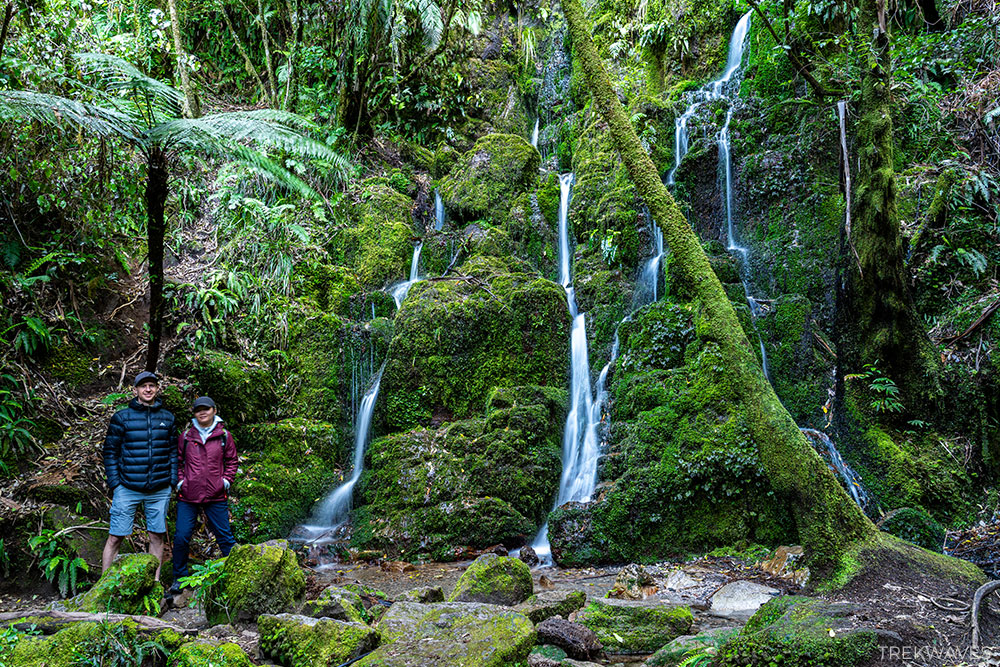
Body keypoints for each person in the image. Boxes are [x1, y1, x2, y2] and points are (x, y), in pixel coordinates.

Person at [102, 371, 177, 581]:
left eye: (152, 385)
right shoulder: (122, 417)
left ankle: (153, 585)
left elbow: (173, 451)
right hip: (127, 487)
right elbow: (110, 451)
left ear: (157, 389)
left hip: (159, 489)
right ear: (135, 390)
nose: (148, 389)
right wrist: (115, 483)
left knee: (156, 536)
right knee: (116, 536)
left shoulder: (167, 418)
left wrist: (172, 481)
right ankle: (102, 588)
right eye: (143, 386)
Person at [170, 396, 238, 594]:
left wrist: (225, 481)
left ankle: (235, 574)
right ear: (194, 413)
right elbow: (178, 461)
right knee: (182, 537)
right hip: (188, 495)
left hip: (215, 494)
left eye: (206, 409)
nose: (202, 412)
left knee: (224, 537)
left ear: (214, 411)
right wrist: (181, 482)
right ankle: (179, 578)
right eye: (198, 409)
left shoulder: (224, 436)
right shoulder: (186, 436)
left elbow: (232, 461)